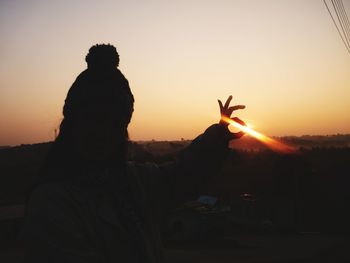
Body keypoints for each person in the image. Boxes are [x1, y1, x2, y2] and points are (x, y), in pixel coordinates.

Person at [21, 44, 246, 263]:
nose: (103, 133)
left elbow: (181, 177)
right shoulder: (52, 202)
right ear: (72, 125)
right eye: (93, 120)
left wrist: (217, 137)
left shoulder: (134, 180)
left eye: (115, 123)